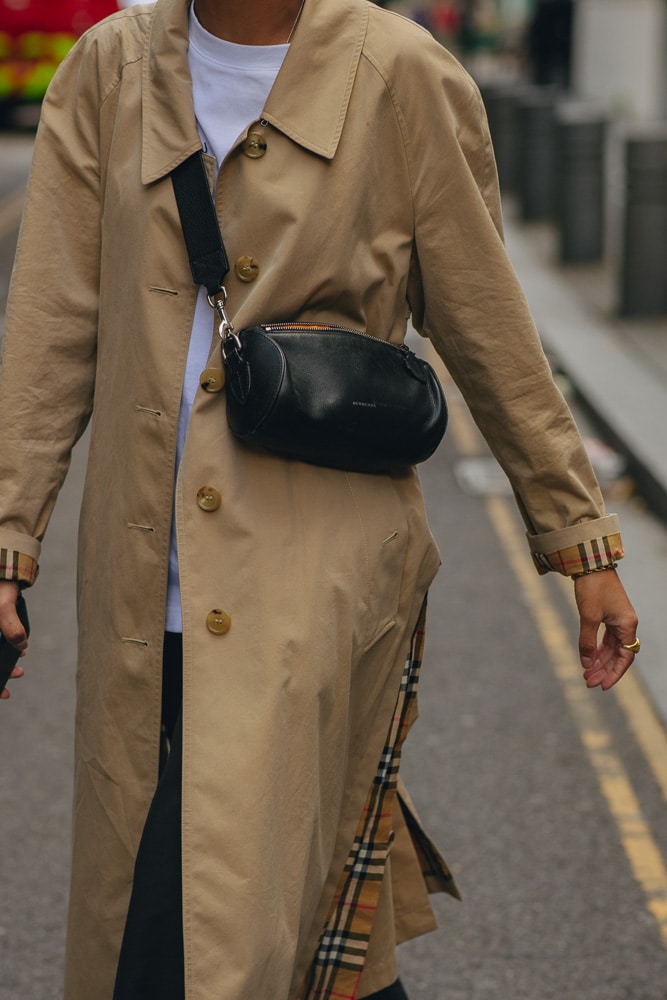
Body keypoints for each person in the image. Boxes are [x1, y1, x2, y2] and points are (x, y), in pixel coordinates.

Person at [0, 1, 639, 998]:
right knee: (244, 903)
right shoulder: (108, 71)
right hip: (139, 584)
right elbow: (50, 330)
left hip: (316, 576)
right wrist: (10, 534)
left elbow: (488, 327)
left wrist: (580, 537)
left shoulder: (401, 75)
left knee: (212, 927)